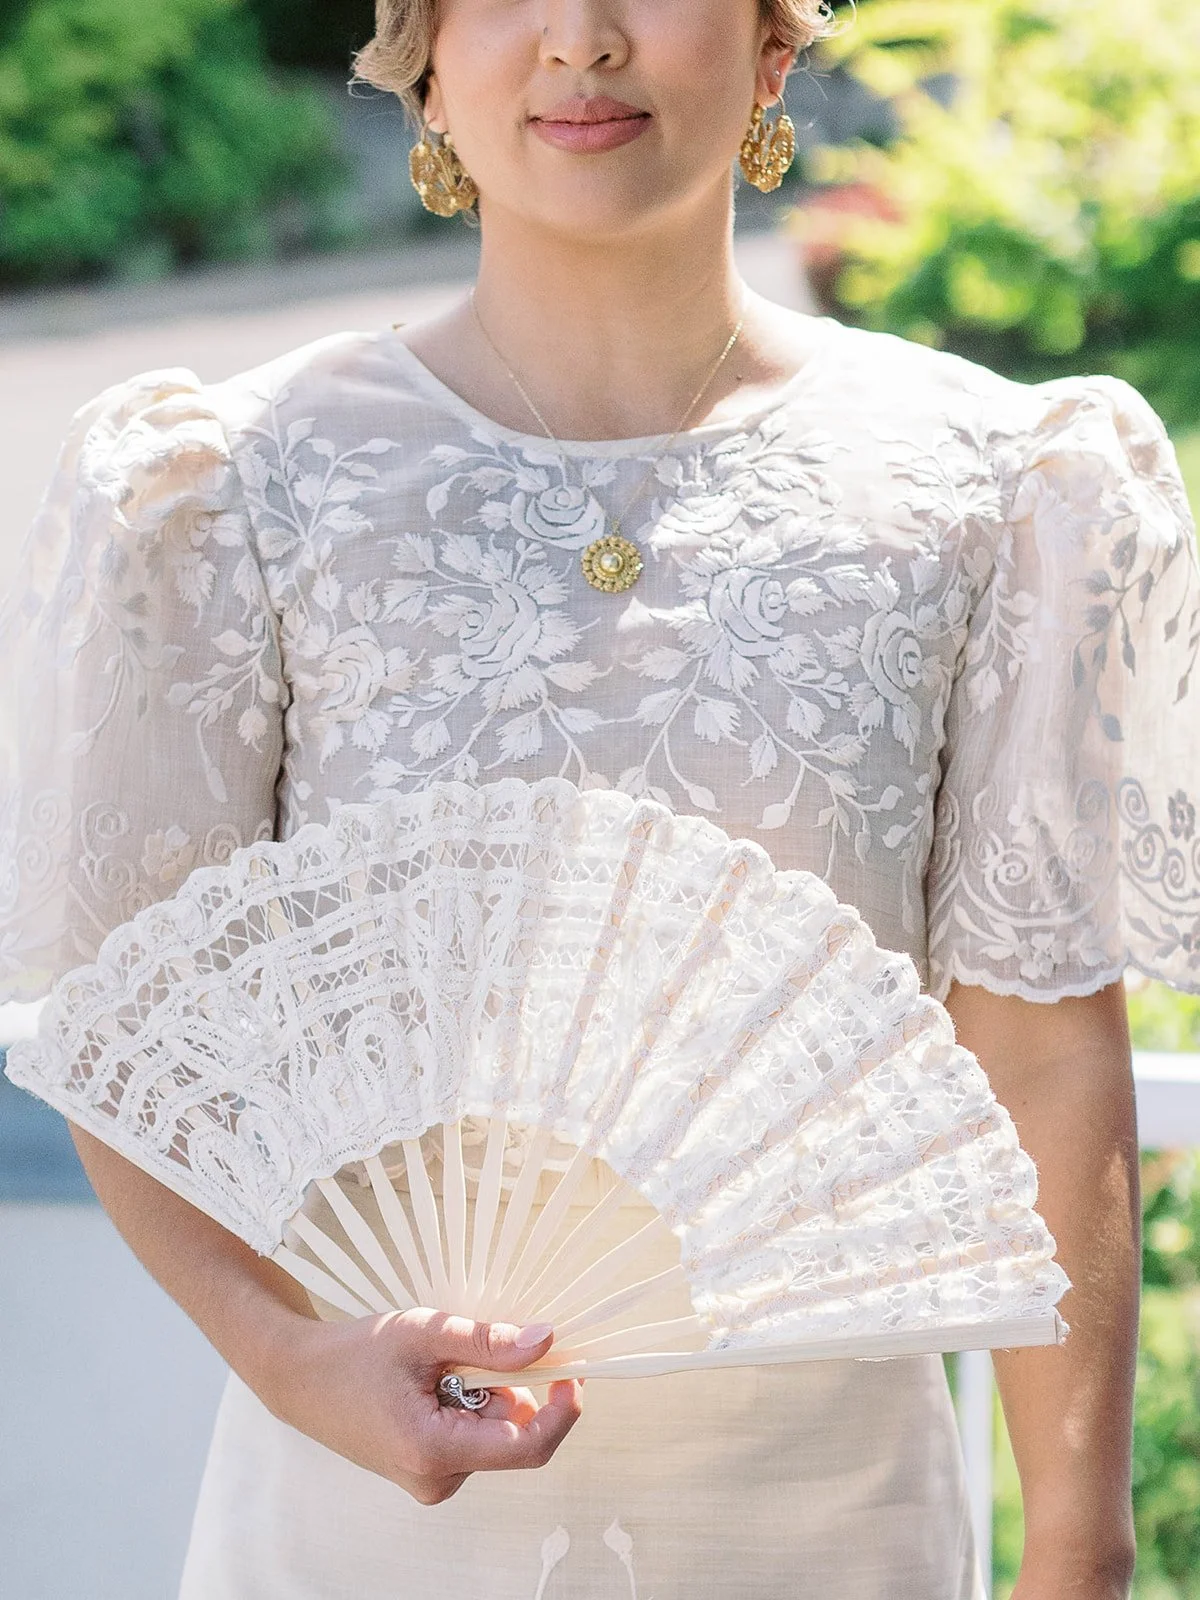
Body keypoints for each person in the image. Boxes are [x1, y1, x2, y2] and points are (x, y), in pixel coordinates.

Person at [1, 1, 1198, 1595]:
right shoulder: (236, 482)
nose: (580, 39)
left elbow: (1042, 1042)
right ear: (424, 54)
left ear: (775, 48)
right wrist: (289, 1358)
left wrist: (1079, 1545)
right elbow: (133, 1035)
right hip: (356, 1505)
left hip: (835, 1512)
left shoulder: (989, 481)